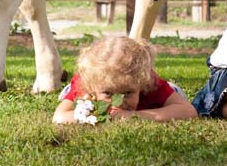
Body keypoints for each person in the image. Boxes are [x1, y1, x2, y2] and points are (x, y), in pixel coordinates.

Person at [52, 36, 198, 123]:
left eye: (128, 93)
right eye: (108, 93)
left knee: (177, 92)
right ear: (92, 88)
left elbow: (188, 111)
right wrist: (94, 116)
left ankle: (171, 88)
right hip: (84, 88)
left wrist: (134, 116)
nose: (120, 101)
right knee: (70, 95)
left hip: (154, 92)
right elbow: (59, 118)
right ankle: (68, 91)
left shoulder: (148, 81)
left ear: (141, 85)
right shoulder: (86, 83)